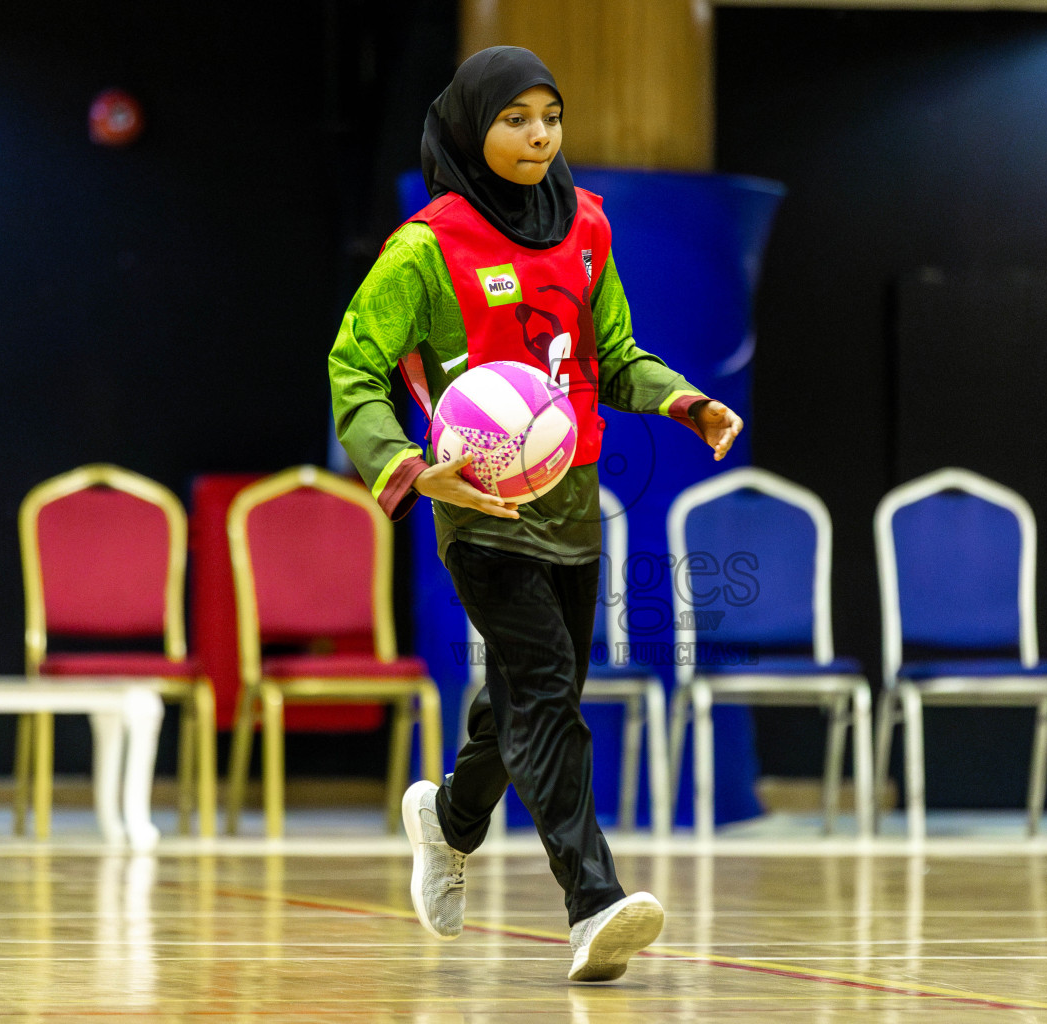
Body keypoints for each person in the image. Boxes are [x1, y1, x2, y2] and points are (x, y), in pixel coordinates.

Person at [327, 45, 743, 983]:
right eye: (515, 118)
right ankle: (593, 904)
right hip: (479, 510)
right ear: (474, 128)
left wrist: (683, 400)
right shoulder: (426, 246)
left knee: (523, 694)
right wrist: (407, 465)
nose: (538, 134)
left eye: (549, 115)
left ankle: (450, 820)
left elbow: (616, 351)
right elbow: (353, 366)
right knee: (551, 687)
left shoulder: (586, 225)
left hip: (572, 501)